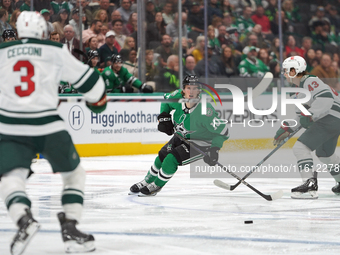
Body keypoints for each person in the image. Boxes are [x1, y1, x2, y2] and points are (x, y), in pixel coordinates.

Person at [0, 11, 107, 255]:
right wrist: (97, 102)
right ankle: (70, 228)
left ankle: (23, 220)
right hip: (47, 124)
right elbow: (94, 86)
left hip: (9, 125)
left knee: (10, 177)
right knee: (74, 175)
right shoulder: (54, 50)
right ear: (42, 31)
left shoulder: (2, 53)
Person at [129, 75, 229, 196]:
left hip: (200, 142)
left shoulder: (205, 111)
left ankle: (156, 185)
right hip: (182, 136)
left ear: (199, 91)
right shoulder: (176, 97)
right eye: (188, 88)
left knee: (171, 159)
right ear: (183, 90)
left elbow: (224, 131)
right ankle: (147, 181)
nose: (191, 92)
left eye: (194, 88)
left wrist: (214, 149)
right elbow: (165, 100)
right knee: (162, 155)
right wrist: (163, 116)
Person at [273, 56, 340, 199]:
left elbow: (326, 98)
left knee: (300, 148)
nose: (284, 74)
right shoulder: (299, 90)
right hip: (334, 119)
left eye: (286, 70)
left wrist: (311, 115)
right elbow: (301, 115)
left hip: (330, 117)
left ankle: (309, 186)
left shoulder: (310, 80)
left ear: (294, 70)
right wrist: (288, 129)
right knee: (325, 155)